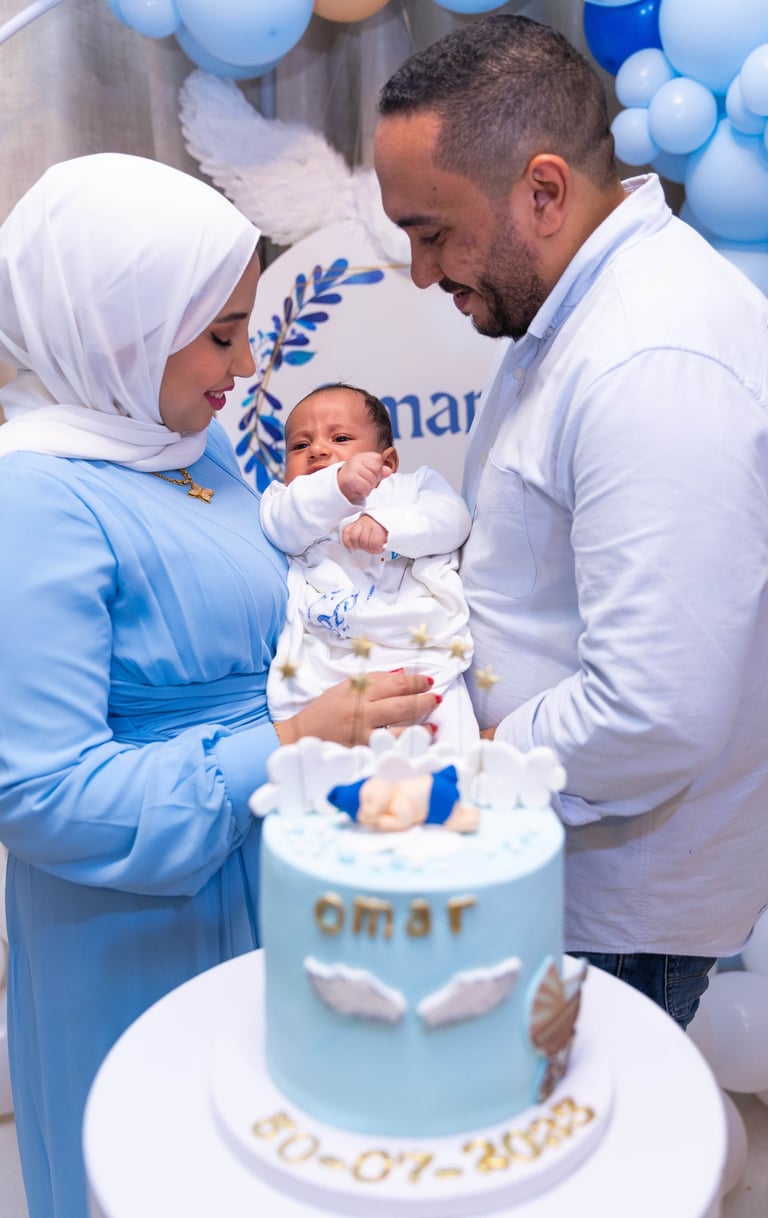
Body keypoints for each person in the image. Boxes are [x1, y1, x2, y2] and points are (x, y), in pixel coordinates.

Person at [0, 154, 438, 1218]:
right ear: (121, 328)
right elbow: (40, 795)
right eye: (222, 335)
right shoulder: (35, 501)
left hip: (273, 875)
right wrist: (287, 742)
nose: (244, 370)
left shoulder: (189, 451)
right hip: (139, 925)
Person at [374, 14, 768, 1030]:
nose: (421, 272)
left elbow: (653, 709)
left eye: (432, 233)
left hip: (611, 907)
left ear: (544, 192)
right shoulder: (575, 302)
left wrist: (475, 758)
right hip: (559, 858)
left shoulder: (650, 358)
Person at [261, 382, 478, 744]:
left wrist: (387, 525)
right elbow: (280, 528)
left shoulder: (412, 487)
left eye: (340, 438)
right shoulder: (289, 503)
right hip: (330, 669)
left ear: (387, 462)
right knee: (328, 763)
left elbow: (453, 520)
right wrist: (336, 487)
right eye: (299, 446)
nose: (317, 450)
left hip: (420, 653)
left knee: (450, 744)